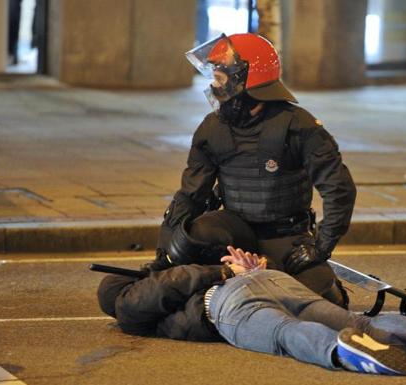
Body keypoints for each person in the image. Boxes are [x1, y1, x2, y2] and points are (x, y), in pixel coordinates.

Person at [97, 215, 406, 376]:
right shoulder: (146, 292)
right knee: (360, 322)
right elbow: (149, 294)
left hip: (229, 302)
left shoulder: (140, 297)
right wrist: (248, 270)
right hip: (270, 281)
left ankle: (343, 353)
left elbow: (145, 297)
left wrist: (225, 271)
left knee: (283, 333)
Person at [153, 33, 357, 307]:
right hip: (233, 234)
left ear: (247, 81)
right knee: (195, 235)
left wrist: (320, 247)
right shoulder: (212, 129)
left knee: (319, 303)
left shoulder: (298, 126)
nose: (214, 87)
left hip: (284, 236)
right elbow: (190, 195)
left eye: (220, 79)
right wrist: (166, 253)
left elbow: (339, 188)